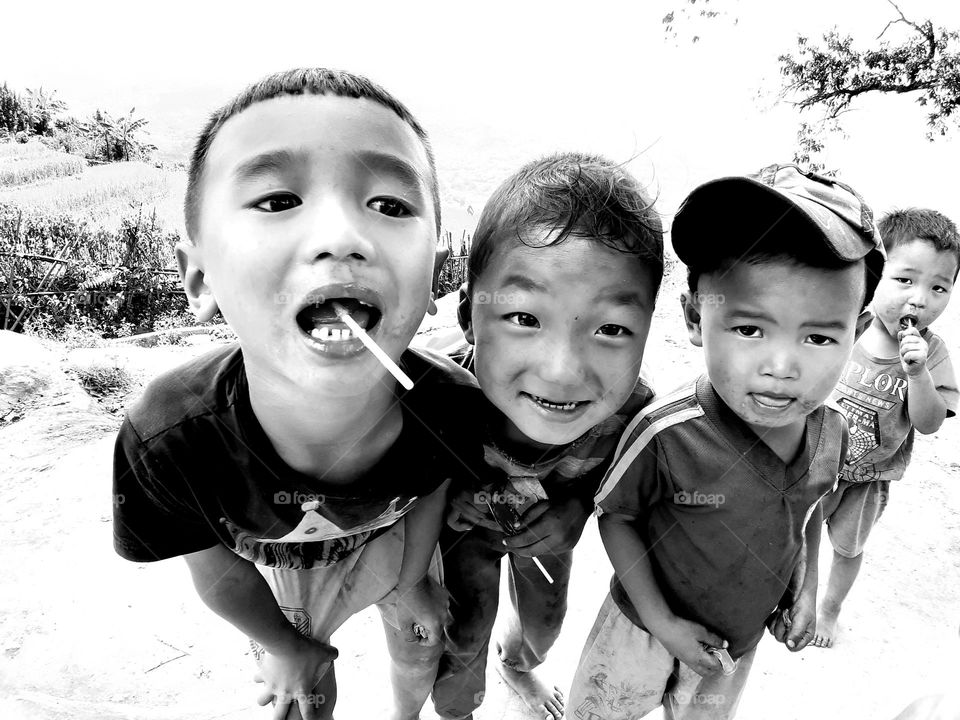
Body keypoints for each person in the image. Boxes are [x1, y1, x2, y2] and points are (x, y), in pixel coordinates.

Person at [112, 68, 483, 720]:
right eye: (279, 200)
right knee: (304, 691)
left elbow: (432, 483)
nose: (343, 236)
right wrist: (280, 642)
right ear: (198, 277)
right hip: (278, 566)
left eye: (391, 206)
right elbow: (216, 571)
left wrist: (415, 577)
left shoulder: (449, 405)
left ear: (434, 280)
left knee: (421, 644)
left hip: (388, 541)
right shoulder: (170, 440)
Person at [568, 164, 885, 720]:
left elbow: (805, 514)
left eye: (817, 336)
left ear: (855, 334)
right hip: (639, 628)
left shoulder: (832, 432)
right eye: (748, 329)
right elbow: (616, 518)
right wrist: (663, 623)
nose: (781, 367)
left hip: (733, 646)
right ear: (695, 318)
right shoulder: (666, 431)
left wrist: (802, 588)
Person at [430, 153, 663, 720]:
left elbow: (617, 495)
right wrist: (443, 500)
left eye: (610, 329)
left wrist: (577, 509)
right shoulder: (433, 391)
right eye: (525, 318)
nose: (562, 371)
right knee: (462, 629)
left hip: (547, 535)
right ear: (469, 315)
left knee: (544, 624)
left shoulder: (632, 416)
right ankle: (457, 707)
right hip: (459, 538)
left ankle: (517, 664)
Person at [813, 208, 958, 648]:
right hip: (815, 463)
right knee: (800, 534)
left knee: (847, 549)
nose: (920, 299)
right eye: (904, 280)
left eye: (939, 288)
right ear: (873, 274)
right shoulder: (844, 327)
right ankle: (796, 593)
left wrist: (917, 375)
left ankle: (830, 608)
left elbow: (929, 424)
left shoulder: (932, 354)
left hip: (869, 479)